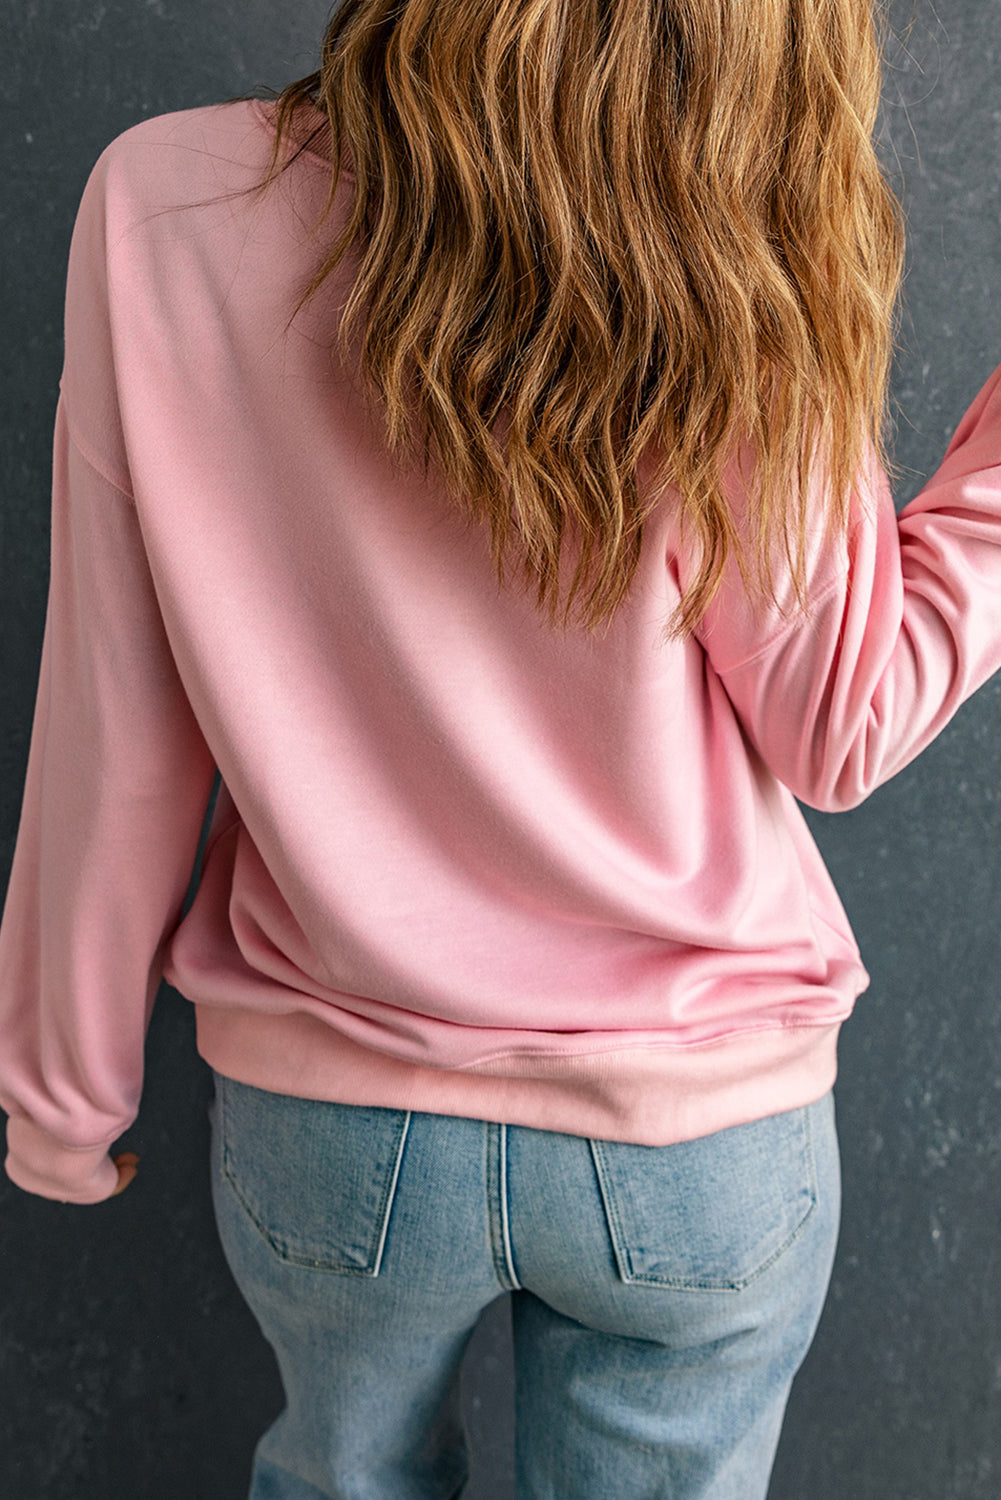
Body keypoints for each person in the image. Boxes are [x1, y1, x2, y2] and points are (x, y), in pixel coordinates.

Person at [0, 1, 998, 1496]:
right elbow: (842, 723)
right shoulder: (729, 240)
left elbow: (118, 712)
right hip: (697, 1132)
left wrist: (62, 1095)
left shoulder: (164, 202)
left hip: (334, 1121)